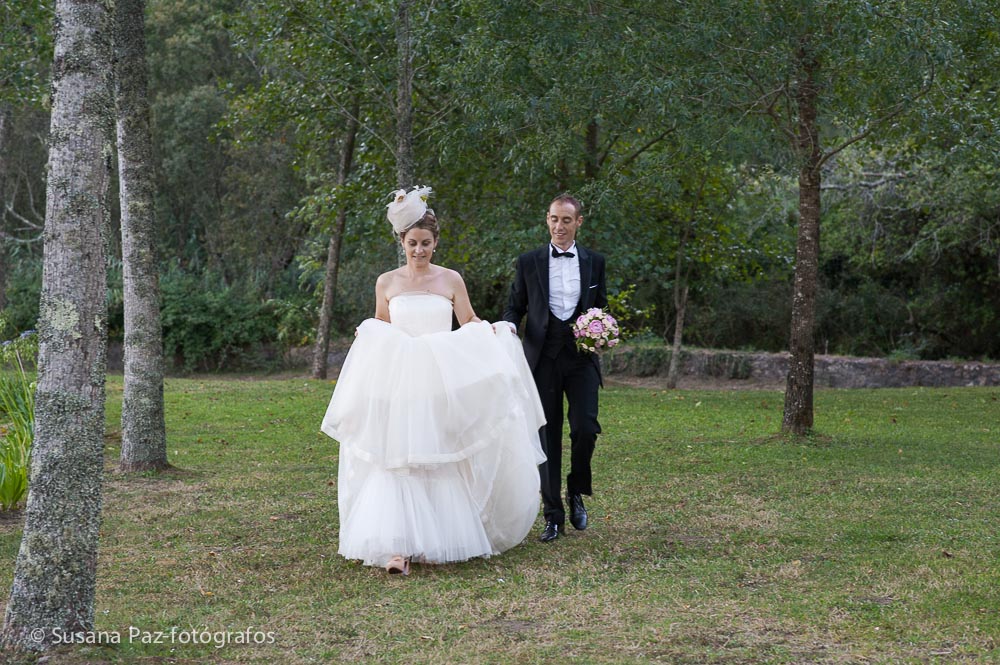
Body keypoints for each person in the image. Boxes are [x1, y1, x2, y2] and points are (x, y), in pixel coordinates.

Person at [321, 186, 546, 575]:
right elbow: (382, 322)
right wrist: (368, 332)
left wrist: (489, 331)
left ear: (436, 243)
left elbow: (468, 320)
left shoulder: (451, 280)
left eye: (426, 243)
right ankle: (395, 546)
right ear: (402, 242)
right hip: (399, 377)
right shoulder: (387, 282)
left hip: (439, 377)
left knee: (435, 455)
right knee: (398, 457)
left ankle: (432, 540)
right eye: (412, 243)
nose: (419, 251)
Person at [502, 194, 607, 543]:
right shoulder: (528, 262)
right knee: (547, 435)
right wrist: (508, 329)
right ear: (546, 220)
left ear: (578, 222)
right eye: (553, 219)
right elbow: (514, 307)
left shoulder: (595, 262)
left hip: (581, 359)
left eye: (566, 220)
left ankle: (575, 490)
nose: (558, 227)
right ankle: (553, 516)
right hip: (542, 358)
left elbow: (601, 307)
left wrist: (604, 330)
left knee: (586, 427)